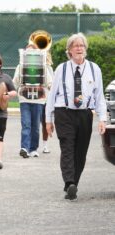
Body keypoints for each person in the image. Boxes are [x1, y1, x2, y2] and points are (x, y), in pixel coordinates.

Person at [45, 33, 107, 201]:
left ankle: (73, 185)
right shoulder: (61, 69)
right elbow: (51, 96)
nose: (79, 48)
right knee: (67, 147)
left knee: (80, 152)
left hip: (84, 114)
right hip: (63, 112)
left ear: (85, 49)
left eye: (82, 46)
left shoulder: (95, 69)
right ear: (69, 50)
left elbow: (99, 96)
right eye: (76, 46)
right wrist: (48, 120)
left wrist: (102, 119)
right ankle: (69, 182)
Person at [13, 44, 53, 158]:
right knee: (26, 124)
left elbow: (49, 82)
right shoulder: (20, 67)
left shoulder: (43, 66)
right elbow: (15, 82)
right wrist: (8, 91)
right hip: (24, 99)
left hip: (39, 100)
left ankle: (33, 148)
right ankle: (24, 148)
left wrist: (55, 92)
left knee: (35, 126)